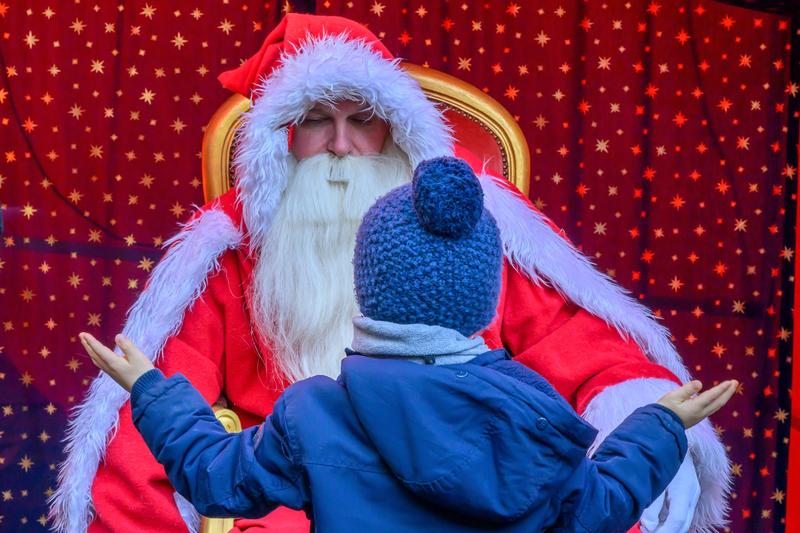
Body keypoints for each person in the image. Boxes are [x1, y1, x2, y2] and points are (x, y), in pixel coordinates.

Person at [51, 14, 730, 533]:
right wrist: (659, 430)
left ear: (395, 132)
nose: (341, 144)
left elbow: (585, 352)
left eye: (362, 120)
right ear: (282, 135)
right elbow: (159, 441)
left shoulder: (472, 235)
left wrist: (640, 410)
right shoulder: (236, 256)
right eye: (316, 119)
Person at [78, 157, 737, 532]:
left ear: (366, 288)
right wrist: (661, 423)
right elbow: (601, 503)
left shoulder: (313, 413)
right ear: (484, 296)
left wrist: (151, 392)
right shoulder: (533, 413)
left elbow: (215, 475)